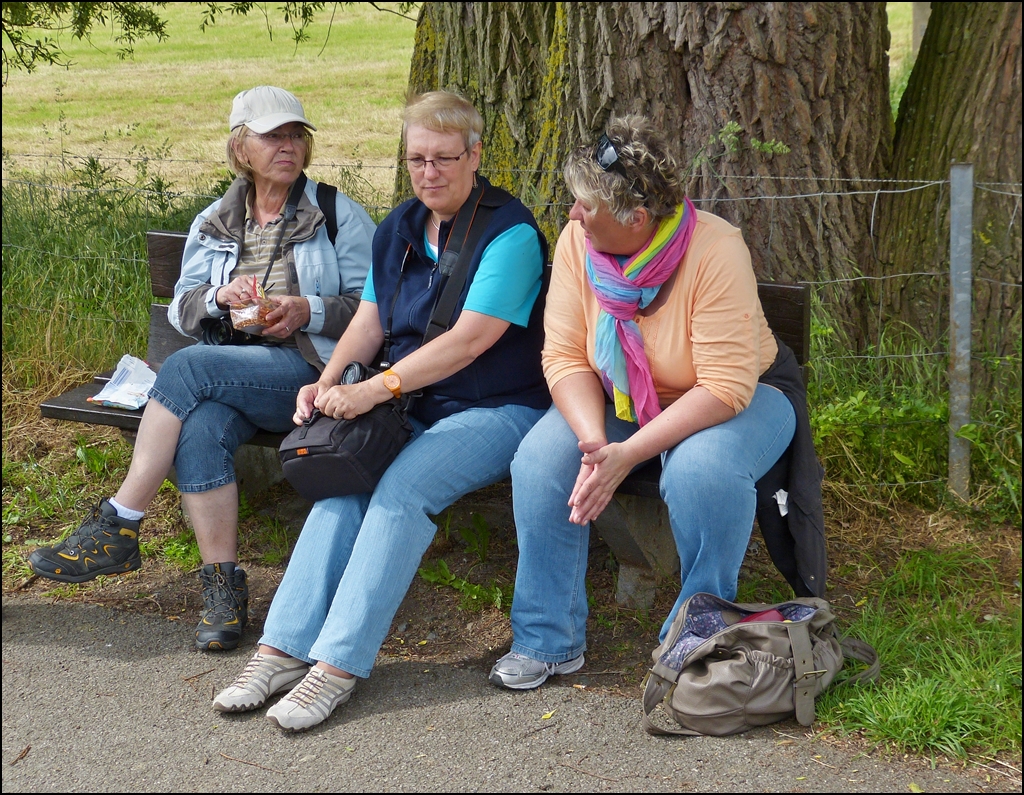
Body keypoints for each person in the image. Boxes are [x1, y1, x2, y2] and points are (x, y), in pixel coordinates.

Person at [211, 90, 550, 731]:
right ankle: (281, 651)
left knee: (401, 489)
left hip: (496, 407)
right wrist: (325, 383)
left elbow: (469, 340)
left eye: (445, 158)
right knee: (342, 484)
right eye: (417, 159)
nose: (430, 172)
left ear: (475, 155)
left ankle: (336, 668)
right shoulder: (400, 226)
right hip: (409, 404)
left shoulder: (511, 233)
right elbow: (368, 321)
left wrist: (372, 391)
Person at [28, 86, 376, 652]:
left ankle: (120, 521)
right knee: (202, 427)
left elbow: (374, 308)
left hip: (313, 373)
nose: (287, 146)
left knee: (188, 369)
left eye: (296, 135)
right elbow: (184, 305)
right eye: (272, 136)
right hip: (234, 371)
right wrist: (220, 296)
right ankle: (223, 589)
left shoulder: (336, 214)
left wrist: (304, 309)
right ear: (241, 148)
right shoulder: (216, 219)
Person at [489, 115, 826, 690]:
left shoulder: (715, 248)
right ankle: (547, 640)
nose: (571, 215)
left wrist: (628, 454)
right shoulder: (578, 243)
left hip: (740, 396)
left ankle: (696, 634)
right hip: (620, 396)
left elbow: (724, 387)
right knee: (541, 461)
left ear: (636, 219)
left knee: (702, 470)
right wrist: (594, 444)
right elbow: (565, 356)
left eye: (585, 206)